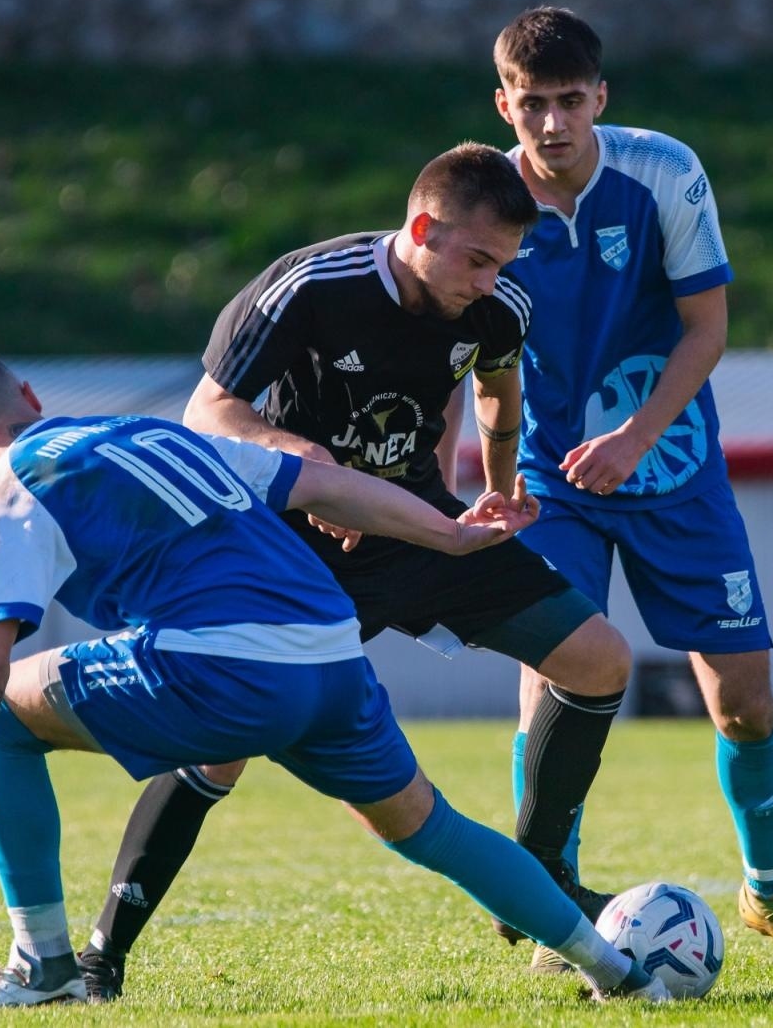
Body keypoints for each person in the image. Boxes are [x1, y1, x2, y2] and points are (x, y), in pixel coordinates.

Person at [0, 349, 668, 1010]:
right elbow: (325, 484)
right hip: (331, 652)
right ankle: (615, 969)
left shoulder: (8, 488)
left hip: (223, 665)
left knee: (3, 713)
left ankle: (45, 965)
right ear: (29, 393)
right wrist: (447, 534)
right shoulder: (155, 432)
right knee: (432, 826)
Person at [79, 141, 635, 993]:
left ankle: (546, 873)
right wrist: (305, 463)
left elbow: (495, 390)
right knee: (221, 748)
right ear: (422, 227)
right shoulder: (308, 287)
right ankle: (101, 958)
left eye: (505, 264)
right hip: (293, 548)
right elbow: (208, 413)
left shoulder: (498, 305)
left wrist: (498, 487)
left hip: (418, 526)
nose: (490, 281)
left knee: (599, 659)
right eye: (478, 259)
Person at [489, 6, 773, 959]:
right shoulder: (483, 202)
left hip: (677, 471)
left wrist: (633, 435)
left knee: (742, 698)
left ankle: (769, 894)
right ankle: (549, 900)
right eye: (534, 105)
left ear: (601, 98)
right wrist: (489, 481)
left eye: (572, 101)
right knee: (555, 677)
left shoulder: (664, 172)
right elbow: (466, 355)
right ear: (505, 105)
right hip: (550, 484)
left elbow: (707, 329)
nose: (555, 124)